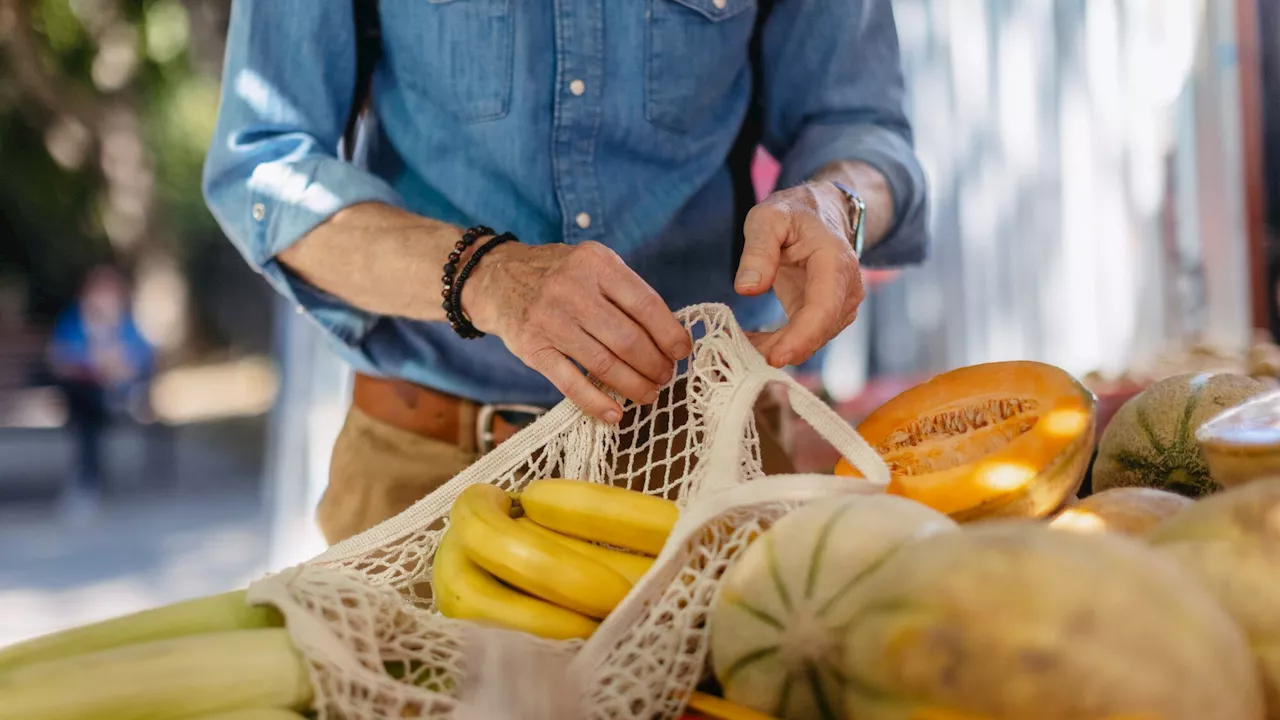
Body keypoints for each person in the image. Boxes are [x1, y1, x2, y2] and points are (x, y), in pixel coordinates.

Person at [203, 0, 930, 545]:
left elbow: (861, 126)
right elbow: (262, 170)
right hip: (423, 478)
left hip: (714, 463)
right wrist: (486, 276)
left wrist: (836, 204)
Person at [46, 265, 154, 518]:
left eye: (108, 290)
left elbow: (139, 362)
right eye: (98, 290)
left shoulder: (126, 325)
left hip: (117, 397)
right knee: (85, 406)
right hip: (84, 393)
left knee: (86, 412)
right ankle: (87, 483)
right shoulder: (74, 320)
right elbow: (58, 357)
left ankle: (85, 484)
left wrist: (111, 357)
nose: (102, 296)